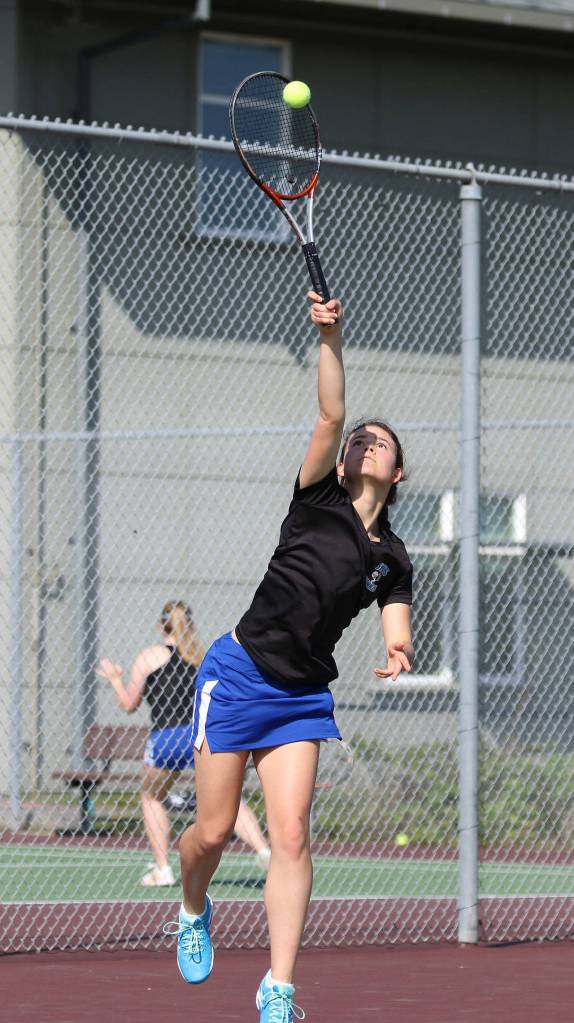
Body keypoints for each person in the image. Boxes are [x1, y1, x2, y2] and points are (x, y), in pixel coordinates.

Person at [170, 293, 414, 1023]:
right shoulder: (315, 498)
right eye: (359, 439)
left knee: (294, 832)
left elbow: (396, 620)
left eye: (382, 440)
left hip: (302, 695)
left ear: (398, 473)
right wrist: (330, 336)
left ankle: (278, 986)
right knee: (212, 832)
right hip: (238, 673)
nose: (367, 440)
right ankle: (191, 906)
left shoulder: (392, 557)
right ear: (343, 461)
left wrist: (400, 649)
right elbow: (332, 412)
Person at [96, 601, 270, 887]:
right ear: (189, 624)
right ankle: (264, 850)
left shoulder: (150, 656)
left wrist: (115, 678)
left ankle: (163, 869)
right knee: (228, 799)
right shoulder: (203, 656)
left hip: (165, 739)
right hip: (201, 736)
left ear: (160, 626)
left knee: (152, 796)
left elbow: (129, 704)